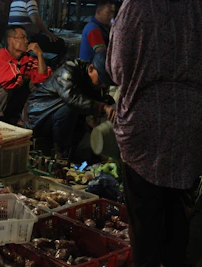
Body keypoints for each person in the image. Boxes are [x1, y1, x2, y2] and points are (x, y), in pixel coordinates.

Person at [106, 0, 202, 266]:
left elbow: (117, 69)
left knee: (144, 216)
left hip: (146, 123)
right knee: (177, 210)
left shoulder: (136, 6)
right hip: (191, 121)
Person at [27, 50, 115, 159]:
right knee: (69, 108)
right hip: (41, 113)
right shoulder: (68, 70)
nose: (103, 85)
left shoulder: (95, 84)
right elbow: (72, 98)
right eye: (101, 80)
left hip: (64, 121)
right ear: (91, 69)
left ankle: (71, 152)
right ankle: (61, 153)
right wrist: (102, 107)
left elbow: (96, 104)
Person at [0, 25, 52, 125]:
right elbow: (12, 79)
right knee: (2, 87)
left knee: (36, 85)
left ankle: (25, 119)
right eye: (23, 37)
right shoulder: (0, 55)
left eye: (26, 37)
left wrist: (40, 55)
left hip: (14, 101)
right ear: (10, 41)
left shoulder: (26, 58)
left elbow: (42, 79)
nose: (26, 41)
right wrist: (26, 77)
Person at [8, 0, 67, 65]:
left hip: (15, 38)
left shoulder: (14, 2)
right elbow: (36, 21)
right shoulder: (29, 2)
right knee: (60, 43)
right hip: (27, 39)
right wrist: (48, 33)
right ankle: (55, 68)